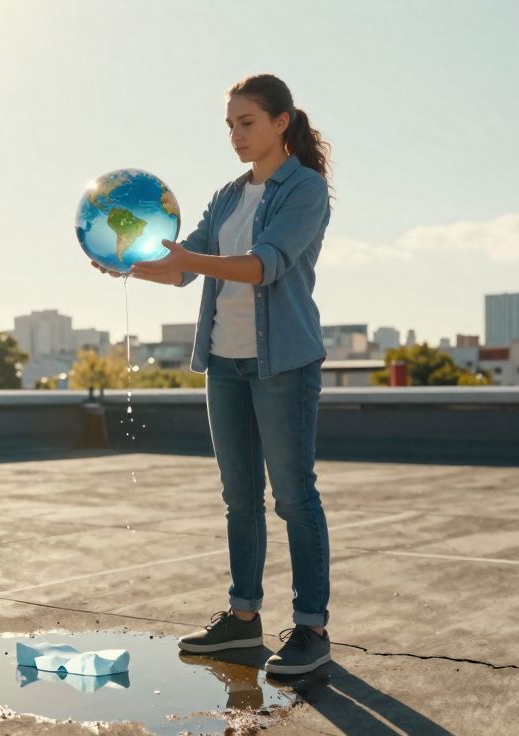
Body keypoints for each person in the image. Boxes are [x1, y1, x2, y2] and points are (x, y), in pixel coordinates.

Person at [88, 73, 333, 676]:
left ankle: (311, 629)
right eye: (229, 125)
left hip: (283, 364)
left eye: (246, 122)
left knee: (294, 498)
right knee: (239, 498)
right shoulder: (228, 196)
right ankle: (243, 620)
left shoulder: (305, 189)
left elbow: (264, 266)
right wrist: (121, 264)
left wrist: (181, 259)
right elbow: (180, 268)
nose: (235, 135)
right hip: (224, 363)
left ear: (282, 122)